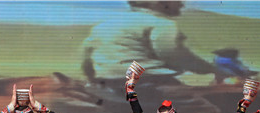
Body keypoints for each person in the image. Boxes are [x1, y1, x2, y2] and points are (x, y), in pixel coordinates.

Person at [81, 1, 218, 85]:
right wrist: (210, 69)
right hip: (149, 82)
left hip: (108, 82)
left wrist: (93, 79)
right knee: (206, 111)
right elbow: (174, 56)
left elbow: (86, 57)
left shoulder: (104, 25)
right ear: (160, 2)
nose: (182, 4)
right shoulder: (163, 24)